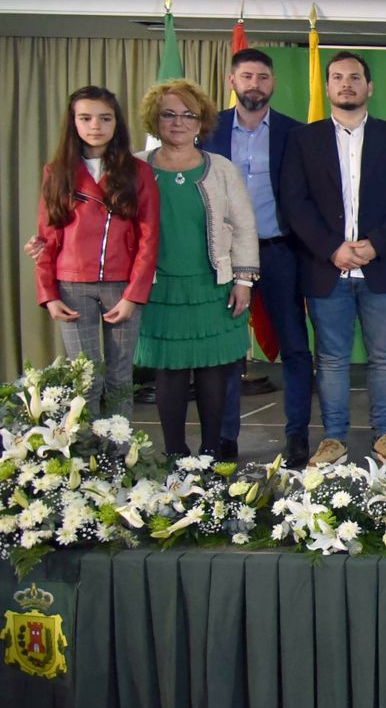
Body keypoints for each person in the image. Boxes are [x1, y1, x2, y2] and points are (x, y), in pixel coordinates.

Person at [280, 51, 386, 468]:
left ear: (369, 87)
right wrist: (332, 248)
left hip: (382, 266)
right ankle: (334, 439)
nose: (346, 83)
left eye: (355, 77)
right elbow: (294, 202)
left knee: (385, 357)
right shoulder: (304, 139)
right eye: (338, 77)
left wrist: (376, 244)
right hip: (327, 269)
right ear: (327, 87)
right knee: (330, 359)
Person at [134, 80, 257, 459]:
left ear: (201, 122)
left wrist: (243, 280)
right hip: (160, 289)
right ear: (155, 119)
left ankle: (209, 452)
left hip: (213, 286)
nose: (179, 122)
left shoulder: (221, 168)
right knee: (169, 371)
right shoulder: (135, 167)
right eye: (169, 114)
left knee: (213, 371)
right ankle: (175, 452)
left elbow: (244, 225)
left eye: (189, 115)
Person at [205, 48, 311, 464]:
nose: (255, 84)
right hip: (223, 259)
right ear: (232, 81)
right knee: (228, 351)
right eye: (247, 76)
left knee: (295, 348)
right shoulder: (207, 130)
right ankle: (224, 437)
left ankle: (297, 435)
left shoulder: (294, 133)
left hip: (279, 252)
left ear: (273, 84)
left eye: (263, 77)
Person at [34, 86, 158, 419]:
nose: (95, 126)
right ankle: (86, 449)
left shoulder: (138, 172)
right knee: (86, 378)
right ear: (72, 122)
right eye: (86, 118)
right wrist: (48, 293)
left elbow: (149, 238)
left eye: (105, 118)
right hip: (72, 287)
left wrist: (134, 295)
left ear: (117, 122)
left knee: (120, 378)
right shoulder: (56, 172)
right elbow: (47, 236)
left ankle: (120, 448)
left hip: (122, 287)